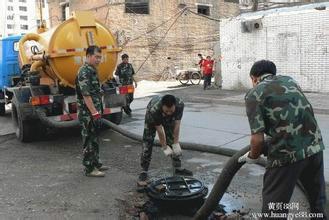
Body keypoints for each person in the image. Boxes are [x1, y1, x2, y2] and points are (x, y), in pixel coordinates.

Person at [239, 60, 327, 219]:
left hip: (286, 155)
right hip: (314, 147)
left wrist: (253, 156)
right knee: (317, 201)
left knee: (274, 209)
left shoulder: (254, 94)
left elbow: (257, 140)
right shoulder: (290, 80)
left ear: (253, 78)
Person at [138, 94, 193, 185]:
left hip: (167, 116)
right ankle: (144, 171)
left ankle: (177, 168)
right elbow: (159, 130)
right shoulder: (154, 110)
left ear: (175, 106)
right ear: (162, 106)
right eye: (167, 111)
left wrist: (175, 143)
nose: (168, 113)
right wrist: (164, 146)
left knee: (171, 138)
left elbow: (177, 125)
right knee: (148, 141)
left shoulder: (180, 105)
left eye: (171, 111)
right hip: (152, 117)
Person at [76, 45, 109, 177]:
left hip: (93, 112)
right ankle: (89, 168)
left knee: (94, 138)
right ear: (88, 56)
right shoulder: (84, 71)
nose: (98, 60)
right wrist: (94, 113)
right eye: (96, 57)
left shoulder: (92, 70)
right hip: (87, 113)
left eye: (100, 57)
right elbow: (86, 95)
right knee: (89, 139)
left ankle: (96, 163)